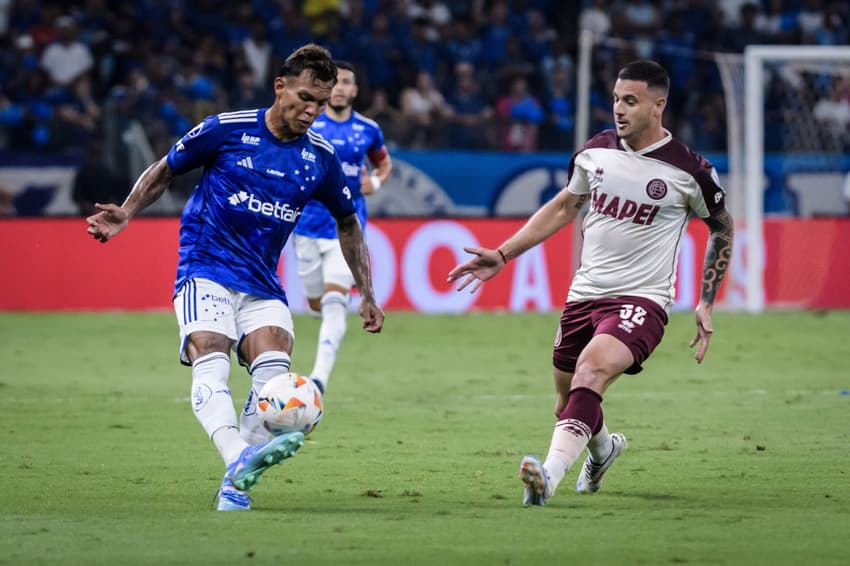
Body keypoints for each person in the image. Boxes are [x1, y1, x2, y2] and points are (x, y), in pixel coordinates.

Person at [86, 44, 384, 512]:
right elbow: (166, 169)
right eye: (305, 97)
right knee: (210, 349)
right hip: (205, 266)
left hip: (262, 279)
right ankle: (238, 455)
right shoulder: (226, 129)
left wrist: (366, 292)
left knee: (273, 378)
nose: (312, 110)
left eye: (321, 103)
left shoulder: (319, 157)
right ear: (279, 86)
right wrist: (126, 211)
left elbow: (349, 221)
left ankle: (236, 476)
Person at [448, 60, 733, 506]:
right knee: (569, 403)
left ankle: (549, 476)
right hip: (584, 296)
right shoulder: (594, 153)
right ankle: (603, 450)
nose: (619, 109)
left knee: (593, 369)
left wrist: (706, 301)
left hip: (642, 300)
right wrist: (503, 254)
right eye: (617, 99)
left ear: (659, 106)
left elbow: (722, 228)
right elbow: (565, 206)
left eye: (631, 101)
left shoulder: (689, 170)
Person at [293, 60, 392, 394]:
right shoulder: (307, 122)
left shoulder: (368, 129)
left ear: (354, 90)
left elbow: (383, 164)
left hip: (346, 228)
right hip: (306, 226)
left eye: (346, 82)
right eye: (334, 82)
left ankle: (318, 379)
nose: (339, 88)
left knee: (335, 300)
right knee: (317, 304)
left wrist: (375, 185)